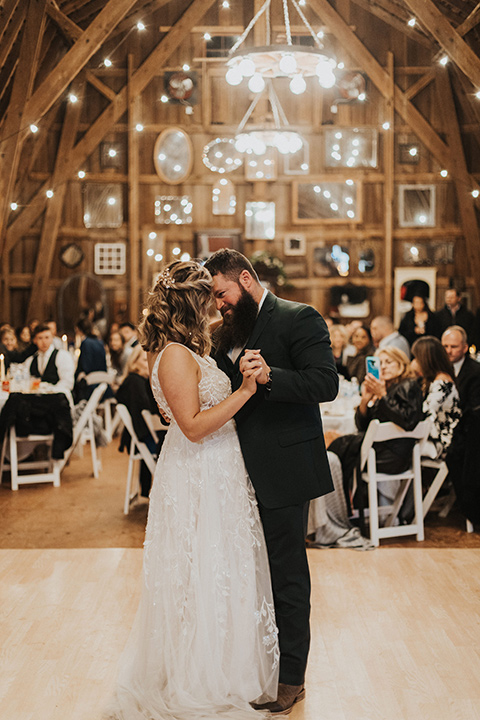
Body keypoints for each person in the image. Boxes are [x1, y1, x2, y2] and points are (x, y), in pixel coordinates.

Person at [106, 261, 279, 720]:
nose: (218, 304)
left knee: (220, 566)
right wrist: (244, 390)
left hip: (217, 468)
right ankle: (200, 676)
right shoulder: (177, 355)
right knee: (202, 569)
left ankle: (224, 665)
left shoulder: (186, 350)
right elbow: (193, 426)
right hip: (200, 469)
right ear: (192, 303)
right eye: (210, 297)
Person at [204, 248, 338, 715]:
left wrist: (271, 376)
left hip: (284, 469)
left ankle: (292, 678)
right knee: (247, 574)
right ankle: (253, 665)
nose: (218, 303)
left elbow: (325, 384)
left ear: (245, 278)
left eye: (221, 293)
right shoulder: (224, 334)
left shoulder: (299, 318)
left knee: (286, 573)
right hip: (233, 470)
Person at [328, 346, 424, 511]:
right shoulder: (389, 387)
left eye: (389, 362)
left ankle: (339, 507)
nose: (383, 366)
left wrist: (382, 395)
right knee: (332, 441)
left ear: (401, 365)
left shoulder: (408, 385)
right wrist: (365, 401)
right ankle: (339, 506)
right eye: (379, 363)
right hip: (382, 450)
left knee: (333, 444)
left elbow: (408, 421)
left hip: (392, 455)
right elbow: (363, 425)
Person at [115, 345, 164, 498]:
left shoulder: (140, 380)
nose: (149, 362)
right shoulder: (135, 382)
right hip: (143, 438)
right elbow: (144, 412)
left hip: (142, 435)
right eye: (144, 360)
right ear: (134, 362)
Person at [410, 336, 461, 460]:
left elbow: (424, 412)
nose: (414, 362)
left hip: (442, 441)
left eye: (416, 358)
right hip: (430, 436)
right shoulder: (431, 380)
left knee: (396, 447)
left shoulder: (442, 382)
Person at [24, 323, 75, 405]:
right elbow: (26, 381)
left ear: (52, 339)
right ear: (35, 340)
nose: (44, 341)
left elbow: (68, 382)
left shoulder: (62, 356)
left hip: (57, 400)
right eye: (40, 338)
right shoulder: (31, 360)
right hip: (37, 401)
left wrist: (50, 390)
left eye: (47, 338)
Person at [441, 326, 480, 413]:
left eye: (454, 347)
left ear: (465, 348)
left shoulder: (476, 371)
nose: (448, 351)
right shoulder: (437, 368)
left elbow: (474, 407)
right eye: (445, 346)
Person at [74, 316, 112, 402]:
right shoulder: (99, 341)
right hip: (102, 379)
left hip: (92, 383)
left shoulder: (86, 342)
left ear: (78, 329)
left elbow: (86, 365)